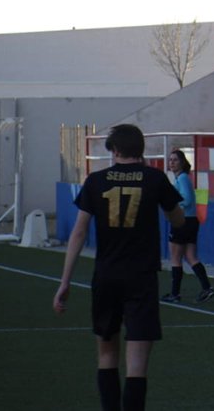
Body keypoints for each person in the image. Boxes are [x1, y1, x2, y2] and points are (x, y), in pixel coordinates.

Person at [53, 123, 185, 411]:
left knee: (106, 354)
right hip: (142, 276)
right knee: (137, 361)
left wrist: (65, 281)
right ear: (141, 149)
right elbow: (178, 220)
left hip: (107, 275)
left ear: (114, 149)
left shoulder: (96, 180)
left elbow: (78, 232)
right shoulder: (154, 178)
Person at [161, 149, 214, 304]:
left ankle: (175, 294)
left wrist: (172, 205)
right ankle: (207, 287)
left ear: (182, 162)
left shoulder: (183, 178)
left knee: (176, 258)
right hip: (190, 221)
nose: (171, 163)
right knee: (191, 256)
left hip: (182, 221)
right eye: (170, 160)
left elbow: (188, 200)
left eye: (175, 160)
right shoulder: (181, 179)